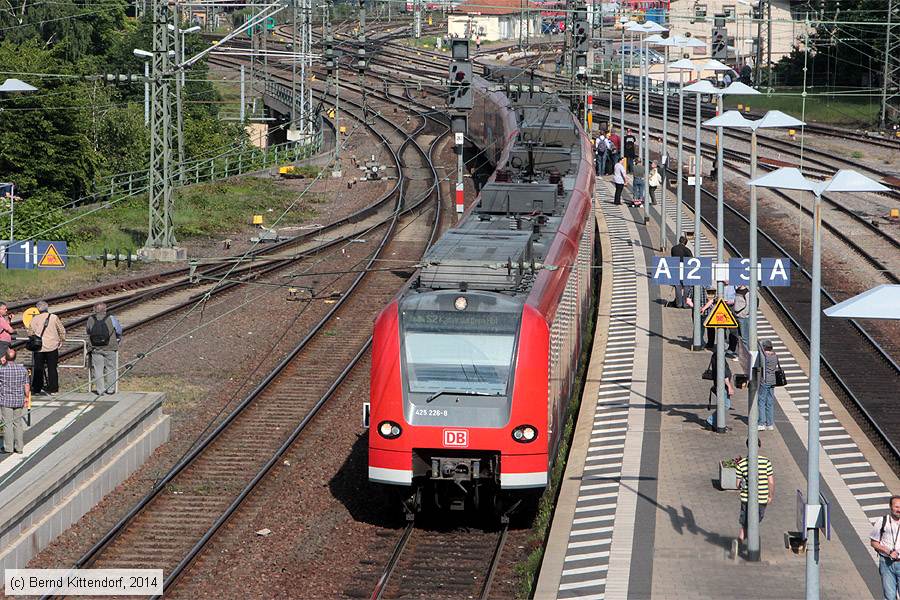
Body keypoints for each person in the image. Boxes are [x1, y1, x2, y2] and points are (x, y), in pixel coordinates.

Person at [734, 438, 774, 553]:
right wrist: (770, 496)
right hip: (762, 498)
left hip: (746, 498)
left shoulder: (741, 464)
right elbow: (771, 482)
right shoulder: (766, 462)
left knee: (745, 522)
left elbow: (737, 484)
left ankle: (739, 541)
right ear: (759, 446)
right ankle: (751, 544)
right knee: (755, 521)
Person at [27, 300, 66, 397]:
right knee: (52, 368)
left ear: (38, 309)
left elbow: (30, 333)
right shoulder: (54, 317)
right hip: (52, 346)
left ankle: (37, 388)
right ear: (47, 307)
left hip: (39, 347)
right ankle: (53, 389)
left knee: (38, 368)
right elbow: (61, 330)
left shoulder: (34, 319)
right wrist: (61, 340)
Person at [86, 303, 122, 395]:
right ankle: (110, 389)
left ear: (95, 310)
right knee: (111, 368)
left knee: (98, 369)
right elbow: (119, 331)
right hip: (110, 347)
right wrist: (117, 339)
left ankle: (100, 390)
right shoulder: (111, 318)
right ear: (105, 309)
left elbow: (88, 331)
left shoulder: (90, 319)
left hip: (95, 348)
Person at [0, 348, 30, 454]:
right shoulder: (23, 370)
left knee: (7, 424)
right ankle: (19, 447)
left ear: (6, 357)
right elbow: (26, 386)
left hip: (6, 400)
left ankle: (8, 448)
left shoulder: (2, 370)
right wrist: (26, 397)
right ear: (15, 357)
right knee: (18, 424)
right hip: (18, 400)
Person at [870, 496, 900, 600]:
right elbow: (874, 542)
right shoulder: (882, 521)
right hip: (887, 563)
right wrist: (888, 551)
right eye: (896, 507)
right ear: (890, 507)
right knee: (889, 596)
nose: (899, 509)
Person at [705, 353, 735, 430]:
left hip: (720, 384)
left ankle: (715, 422)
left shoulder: (716, 355)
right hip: (722, 386)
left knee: (723, 404)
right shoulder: (719, 356)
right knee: (725, 405)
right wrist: (729, 386)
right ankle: (711, 421)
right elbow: (724, 373)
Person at [758, 339, 780, 431]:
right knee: (770, 402)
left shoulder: (765, 357)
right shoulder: (775, 355)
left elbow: (761, 354)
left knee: (761, 401)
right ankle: (770, 424)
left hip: (765, 381)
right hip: (773, 381)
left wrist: (759, 345)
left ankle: (761, 423)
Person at [670, 236, 693, 308]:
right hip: (685, 269)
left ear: (679, 241)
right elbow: (692, 260)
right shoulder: (687, 250)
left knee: (677, 286)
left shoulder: (673, 248)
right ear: (685, 243)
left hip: (676, 269)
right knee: (686, 286)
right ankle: (685, 303)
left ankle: (678, 304)